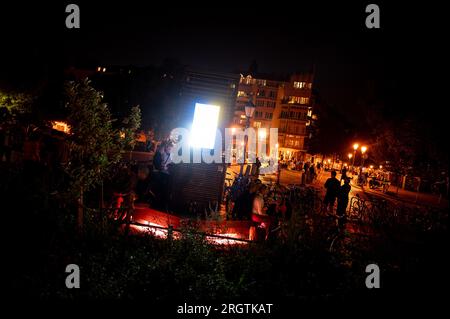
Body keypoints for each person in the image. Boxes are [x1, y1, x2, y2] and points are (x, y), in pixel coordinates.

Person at [152, 140, 174, 211]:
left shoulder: (171, 156)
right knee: (160, 190)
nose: (170, 149)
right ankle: (158, 205)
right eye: (169, 148)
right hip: (162, 174)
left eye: (170, 148)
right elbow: (157, 163)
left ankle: (161, 206)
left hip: (167, 175)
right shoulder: (163, 154)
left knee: (164, 191)